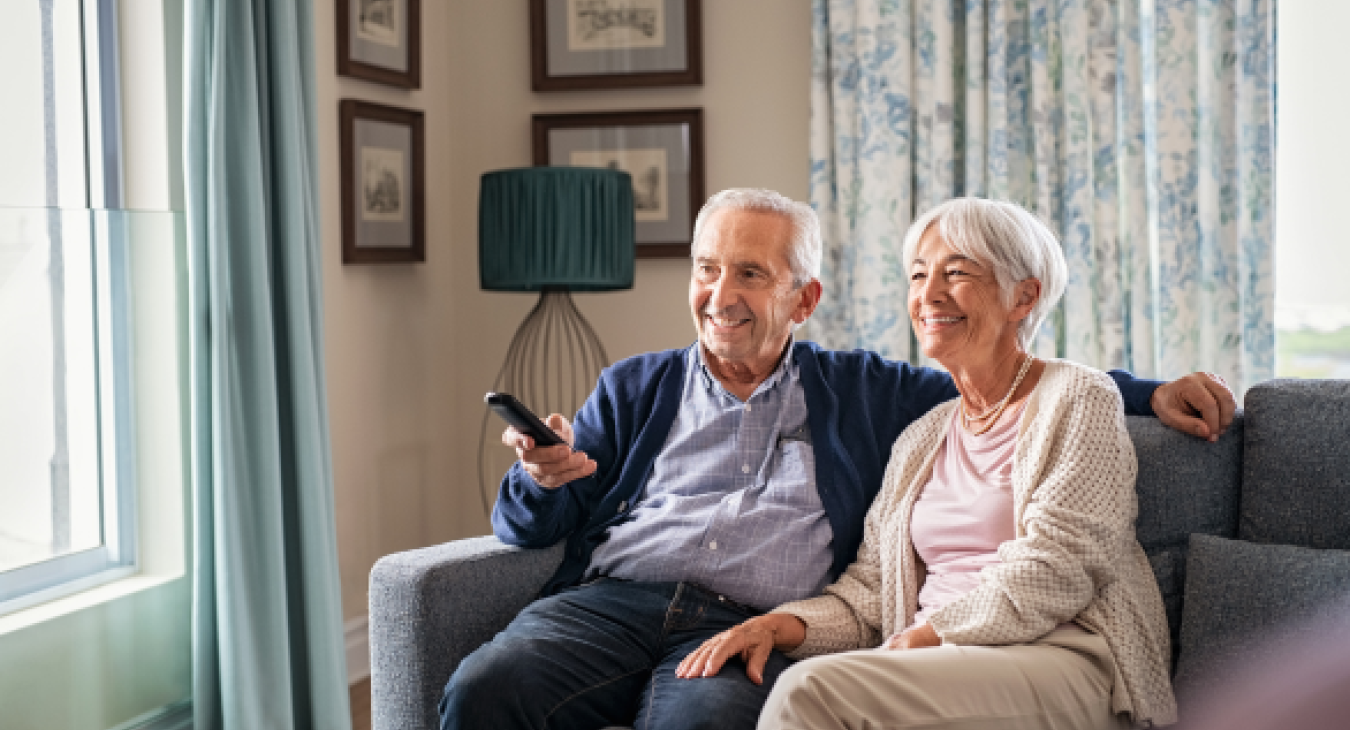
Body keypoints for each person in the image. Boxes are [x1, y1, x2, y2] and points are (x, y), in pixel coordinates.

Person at [439, 189, 1231, 730]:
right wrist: (539, 477)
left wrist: (1153, 392)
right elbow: (531, 521)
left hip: (737, 622)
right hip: (608, 605)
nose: (721, 295)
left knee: (701, 722)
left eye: (751, 273)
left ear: (803, 299)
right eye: (708, 269)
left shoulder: (871, 393)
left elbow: (1019, 382)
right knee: (485, 688)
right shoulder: (636, 385)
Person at [677, 198, 1177, 729]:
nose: (929, 294)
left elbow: (1062, 566)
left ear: (1023, 297)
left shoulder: (1078, 397)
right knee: (805, 679)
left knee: (809, 691)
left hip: (1062, 654)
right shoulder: (923, 436)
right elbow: (870, 594)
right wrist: (777, 626)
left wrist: (930, 634)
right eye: (918, 275)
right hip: (937, 663)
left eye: (956, 273)